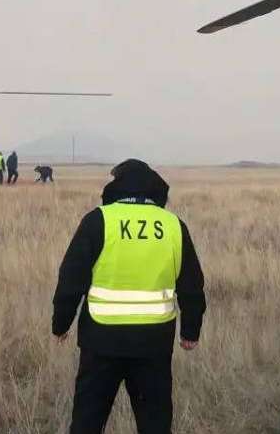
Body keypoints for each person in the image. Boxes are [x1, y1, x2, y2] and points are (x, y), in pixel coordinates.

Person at [52, 159, 206, 434]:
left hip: (101, 342)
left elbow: (71, 277)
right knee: (155, 423)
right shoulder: (173, 225)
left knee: (87, 421)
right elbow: (191, 283)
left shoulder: (98, 220)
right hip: (154, 343)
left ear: (116, 187)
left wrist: (61, 323)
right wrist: (190, 330)